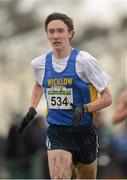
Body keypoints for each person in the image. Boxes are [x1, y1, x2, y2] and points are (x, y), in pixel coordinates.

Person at [16, 12, 112, 179]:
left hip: (84, 131)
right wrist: (32, 108)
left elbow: (107, 97)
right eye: (51, 31)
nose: (55, 36)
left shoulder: (84, 61)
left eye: (60, 31)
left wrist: (85, 108)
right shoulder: (39, 64)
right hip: (57, 131)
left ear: (71, 34)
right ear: (47, 34)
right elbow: (39, 84)